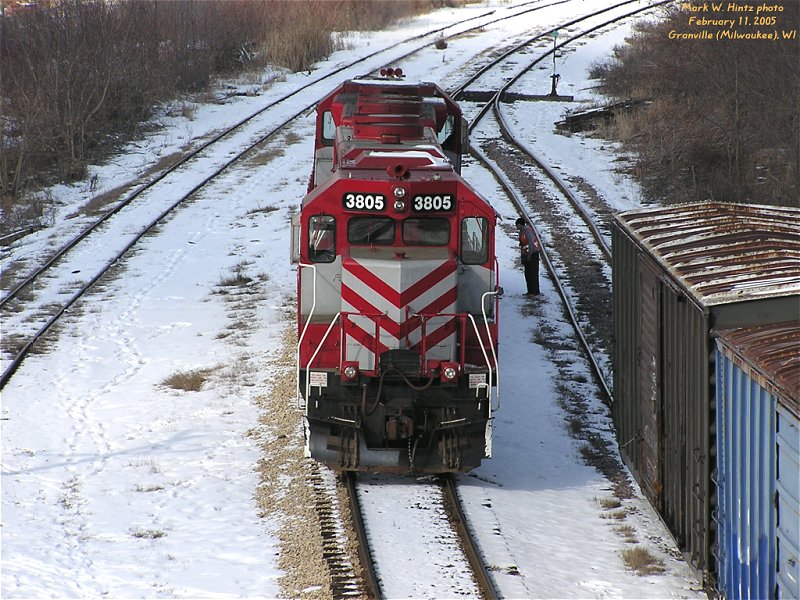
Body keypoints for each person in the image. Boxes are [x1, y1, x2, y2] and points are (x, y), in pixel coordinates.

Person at [515, 217, 540, 296]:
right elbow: (523, 245)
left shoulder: (527, 231)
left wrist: (529, 255)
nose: (516, 227)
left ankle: (535, 292)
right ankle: (530, 291)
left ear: (519, 224)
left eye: (517, 225)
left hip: (532, 254)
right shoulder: (522, 232)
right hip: (527, 254)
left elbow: (531, 244)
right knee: (528, 274)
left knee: (533, 273)